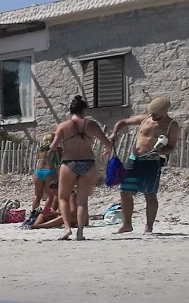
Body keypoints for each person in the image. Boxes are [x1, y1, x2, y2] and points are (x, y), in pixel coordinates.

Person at [112, 97, 179, 234]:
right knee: (124, 191)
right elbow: (122, 122)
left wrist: (159, 152)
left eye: (156, 114)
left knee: (149, 194)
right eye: (151, 113)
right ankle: (127, 225)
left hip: (151, 163)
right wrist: (114, 133)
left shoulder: (172, 125)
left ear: (165, 112)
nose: (152, 116)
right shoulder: (144, 119)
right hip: (134, 160)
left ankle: (149, 226)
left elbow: (171, 147)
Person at [50, 95, 107, 241]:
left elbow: (53, 146)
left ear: (71, 110)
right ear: (84, 110)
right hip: (88, 163)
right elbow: (107, 142)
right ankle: (80, 232)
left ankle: (67, 228)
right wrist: (107, 150)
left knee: (63, 198)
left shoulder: (63, 126)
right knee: (82, 201)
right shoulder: (92, 125)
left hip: (69, 163)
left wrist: (58, 149)